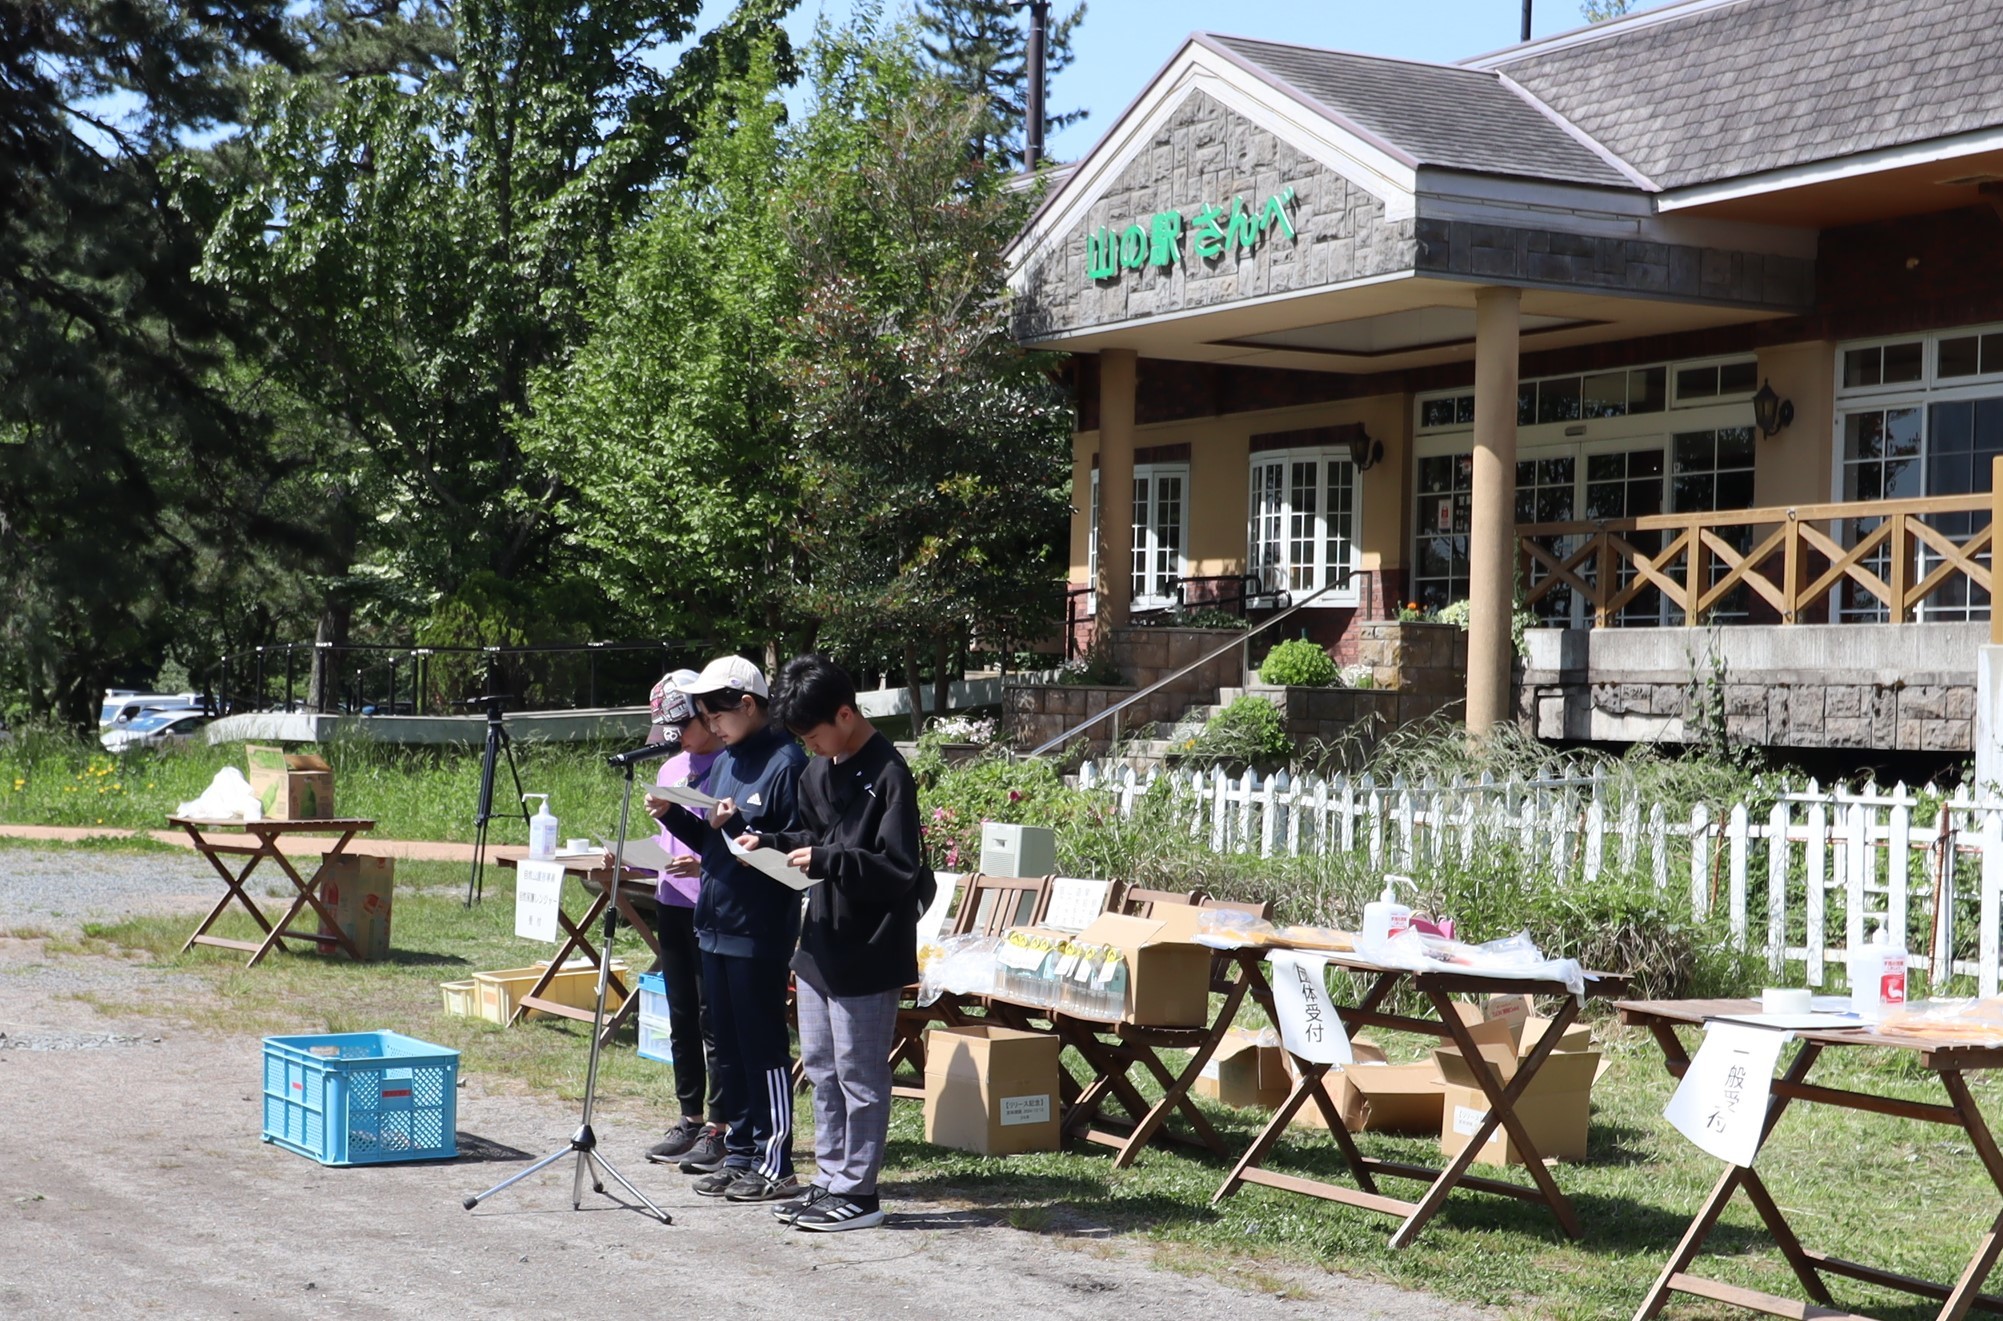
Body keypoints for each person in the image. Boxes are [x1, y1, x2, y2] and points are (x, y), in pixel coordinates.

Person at [738, 654, 933, 1232]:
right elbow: (811, 835)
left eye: (814, 734)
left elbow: (899, 868)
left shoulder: (890, 772)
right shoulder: (816, 772)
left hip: (870, 948)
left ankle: (860, 1192)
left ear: (846, 713)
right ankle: (829, 1180)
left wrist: (827, 859)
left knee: (860, 1074)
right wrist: (769, 840)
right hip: (820, 942)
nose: (811, 746)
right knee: (821, 1066)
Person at [652, 655, 808, 1203]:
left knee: (763, 1046)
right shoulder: (726, 762)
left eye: (715, 714)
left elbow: (792, 853)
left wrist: (740, 826)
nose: (710, 726)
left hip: (758, 928)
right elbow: (713, 848)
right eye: (703, 716)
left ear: (747, 704)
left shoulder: (787, 762)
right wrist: (674, 816)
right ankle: (739, 1152)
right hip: (713, 924)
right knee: (730, 1048)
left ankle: (776, 1163)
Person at [636, 671, 729, 1169]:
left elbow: (729, 841)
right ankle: (688, 1116)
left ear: (706, 715)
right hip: (671, 899)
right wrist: (632, 859)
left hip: (712, 903)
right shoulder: (672, 768)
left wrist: (704, 862)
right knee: (680, 1014)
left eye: (684, 729)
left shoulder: (732, 765)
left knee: (714, 1017)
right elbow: (667, 841)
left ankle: (720, 1122)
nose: (679, 741)